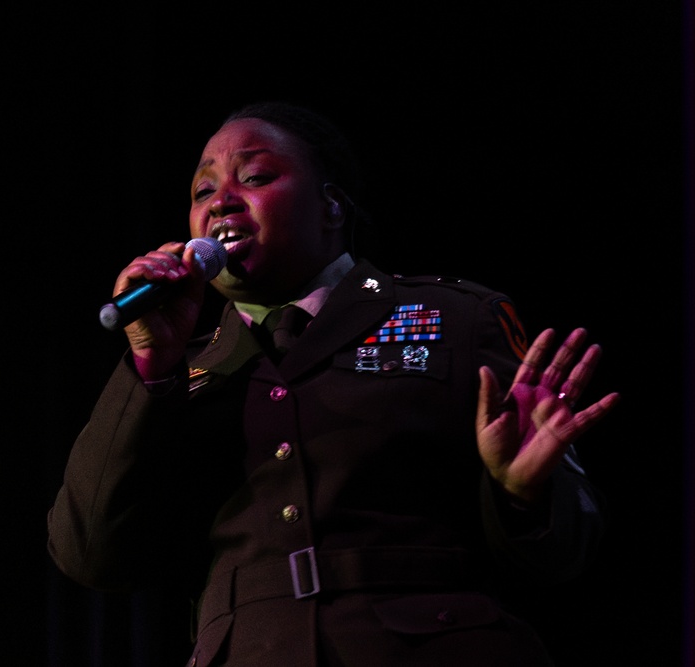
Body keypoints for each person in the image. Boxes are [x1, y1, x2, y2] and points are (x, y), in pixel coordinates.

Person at [47, 100, 620, 666]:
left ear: (331, 206)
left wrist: (523, 494)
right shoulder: (177, 373)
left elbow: (569, 553)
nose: (221, 200)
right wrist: (150, 362)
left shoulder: (456, 318)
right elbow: (91, 556)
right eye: (203, 191)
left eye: (256, 177)